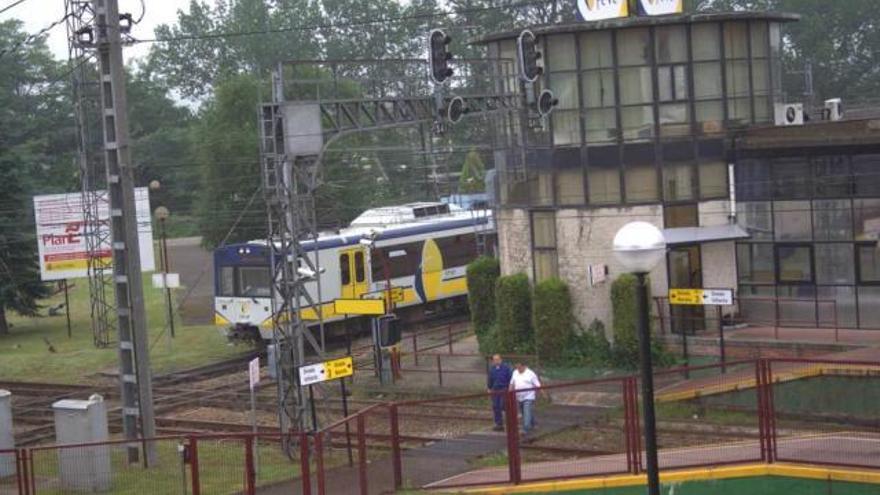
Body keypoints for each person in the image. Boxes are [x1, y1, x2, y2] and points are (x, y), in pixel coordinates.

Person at [509, 361, 541, 434]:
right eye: (517, 367)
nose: (518, 369)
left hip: (529, 396)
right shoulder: (515, 372)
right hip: (519, 397)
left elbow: (537, 385)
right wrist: (510, 392)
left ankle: (526, 429)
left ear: (524, 366)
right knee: (525, 412)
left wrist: (539, 393)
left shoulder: (530, 374)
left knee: (526, 412)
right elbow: (512, 383)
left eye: (519, 368)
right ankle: (533, 423)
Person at [486, 354, 513, 431]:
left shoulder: (506, 368)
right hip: (495, 390)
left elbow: (511, 378)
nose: (496, 361)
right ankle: (499, 424)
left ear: (501, 360)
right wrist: (489, 388)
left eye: (497, 359)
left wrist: (510, 387)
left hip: (504, 389)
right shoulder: (492, 369)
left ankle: (510, 422)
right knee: (495, 406)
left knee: (503, 405)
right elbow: (490, 379)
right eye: (494, 360)